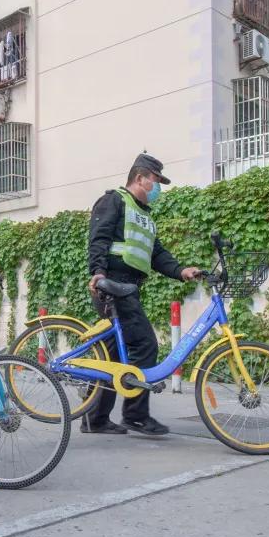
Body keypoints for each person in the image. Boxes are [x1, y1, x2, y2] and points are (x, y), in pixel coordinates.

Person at [80, 153, 202, 437]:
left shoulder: (145, 216)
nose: (158, 187)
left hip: (129, 286)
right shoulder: (115, 201)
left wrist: (181, 270)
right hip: (111, 285)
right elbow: (98, 237)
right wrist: (97, 273)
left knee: (111, 355)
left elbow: (156, 254)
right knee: (144, 344)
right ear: (140, 178)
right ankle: (135, 415)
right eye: (156, 181)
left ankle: (94, 419)